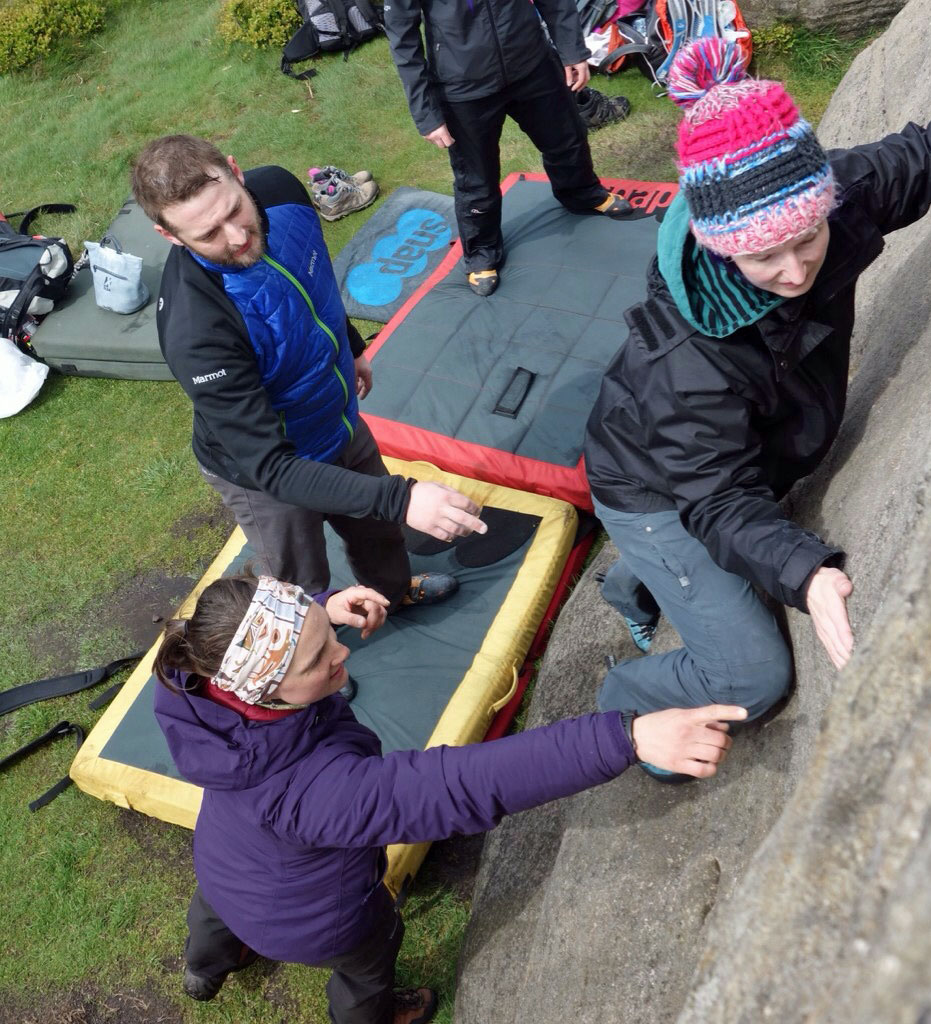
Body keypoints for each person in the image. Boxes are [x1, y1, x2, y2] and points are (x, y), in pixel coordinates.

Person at [583, 38, 931, 758]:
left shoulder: (821, 201)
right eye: (765, 255)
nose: (794, 269)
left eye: (807, 238)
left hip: (741, 448)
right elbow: (718, 497)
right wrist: (807, 573)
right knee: (753, 678)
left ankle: (638, 584)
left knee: (700, 551)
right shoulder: (687, 357)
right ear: (720, 245)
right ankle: (622, 697)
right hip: (653, 487)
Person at [152, 573, 746, 1023]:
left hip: (221, 863)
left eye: (323, 630)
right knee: (368, 958)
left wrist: (324, 608)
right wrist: (628, 736)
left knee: (217, 911)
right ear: (267, 688)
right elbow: (458, 785)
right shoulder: (317, 794)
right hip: (314, 918)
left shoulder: (195, 691)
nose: (342, 653)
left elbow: (275, 631)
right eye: (317, 657)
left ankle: (204, 970)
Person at [132, 135, 486, 613]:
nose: (236, 238)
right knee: (299, 581)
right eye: (208, 234)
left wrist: (353, 345)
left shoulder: (279, 190)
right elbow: (272, 467)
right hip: (265, 471)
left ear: (237, 173)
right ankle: (313, 668)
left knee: (378, 530)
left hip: (335, 420)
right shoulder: (197, 331)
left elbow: (310, 286)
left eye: (234, 211)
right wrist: (403, 498)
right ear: (169, 236)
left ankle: (392, 594)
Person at [383, 0, 635, 297]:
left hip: (532, 63)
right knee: (477, 177)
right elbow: (403, 38)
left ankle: (582, 193)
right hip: (463, 87)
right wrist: (425, 112)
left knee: (567, 138)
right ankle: (482, 251)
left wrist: (571, 50)